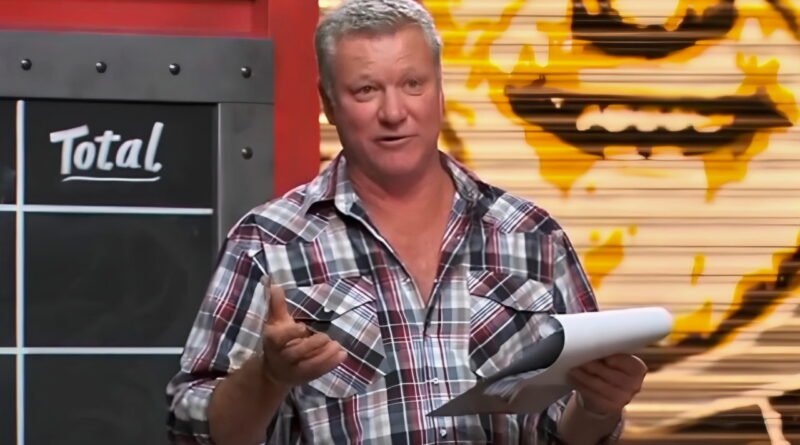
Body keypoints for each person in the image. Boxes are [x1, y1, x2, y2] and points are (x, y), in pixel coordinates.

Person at [165, 0, 648, 443]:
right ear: (328, 103)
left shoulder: (533, 236)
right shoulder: (267, 243)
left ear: (440, 92)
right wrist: (268, 376)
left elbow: (573, 432)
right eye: (366, 90)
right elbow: (192, 429)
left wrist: (598, 407)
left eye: (413, 84)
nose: (394, 112)